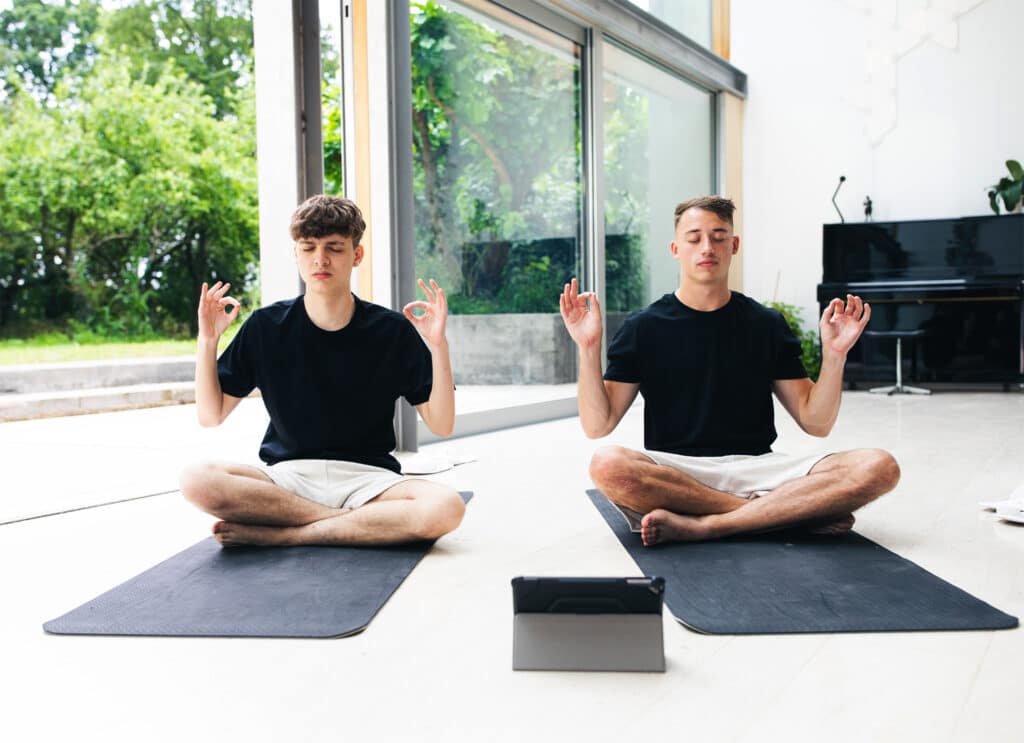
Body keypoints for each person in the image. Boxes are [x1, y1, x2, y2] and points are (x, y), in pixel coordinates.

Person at [559, 196, 899, 546]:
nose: (707, 247)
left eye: (719, 237)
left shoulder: (766, 324)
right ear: (676, 248)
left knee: (879, 466)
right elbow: (598, 425)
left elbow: (816, 422)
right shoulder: (641, 328)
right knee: (607, 465)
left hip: (759, 469)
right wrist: (588, 349)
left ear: (733, 245)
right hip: (678, 473)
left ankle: (709, 525)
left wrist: (835, 355)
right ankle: (773, 515)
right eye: (694, 238)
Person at [179, 195, 465, 547]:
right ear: (296, 253)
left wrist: (439, 347)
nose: (320, 259)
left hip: (370, 481)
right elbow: (211, 415)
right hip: (288, 480)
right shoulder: (266, 326)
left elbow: (442, 423)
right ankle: (352, 526)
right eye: (308, 247)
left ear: (356, 255)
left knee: (446, 508)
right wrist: (207, 341)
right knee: (196, 479)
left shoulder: (391, 330)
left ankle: (289, 535)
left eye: (335, 248)